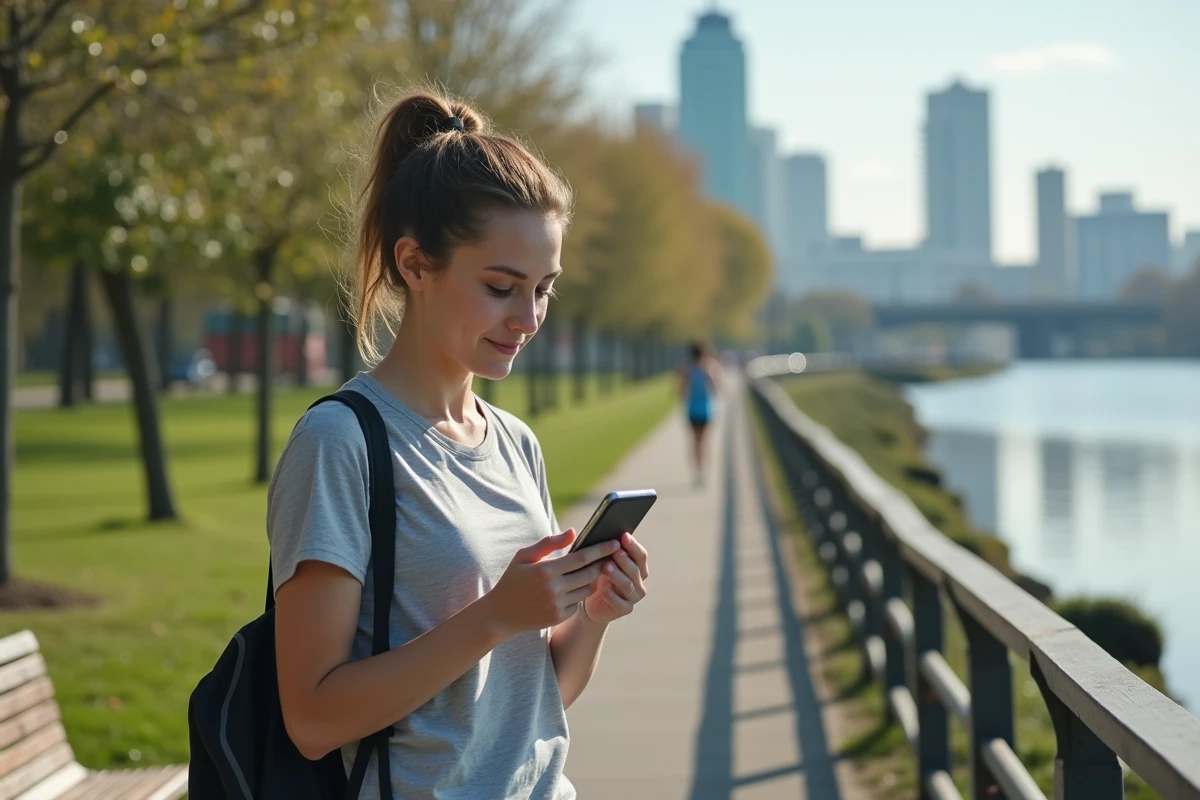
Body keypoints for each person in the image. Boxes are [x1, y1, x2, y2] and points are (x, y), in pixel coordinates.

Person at [266, 90, 650, 799]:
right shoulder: (340, 443)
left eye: (543, 289)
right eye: (502, 287)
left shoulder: (515, 443)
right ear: (415, 263)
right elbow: (313, 719)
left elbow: (532, 707)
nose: (528, 317)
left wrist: (592, 617)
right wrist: (495, 616)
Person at [679, 340, 722, 484]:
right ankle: (702, 472)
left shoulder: (687, 370)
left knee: (695, 442)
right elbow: (716, 389)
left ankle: (697, 471)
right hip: (705, 410)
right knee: (704, 442)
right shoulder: (708, 369)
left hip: (692, 410)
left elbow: (681, 392)